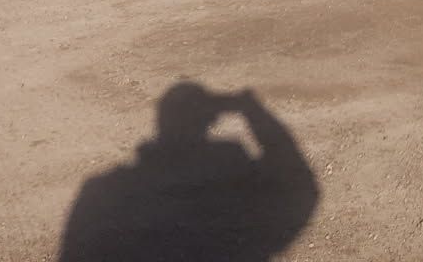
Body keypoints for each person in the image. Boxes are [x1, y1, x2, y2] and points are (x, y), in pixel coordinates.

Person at [58, 82, 318, 262]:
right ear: (211, 120)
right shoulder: (230, 168)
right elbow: (301, 186)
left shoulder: (101, 191)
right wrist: (250, 108)